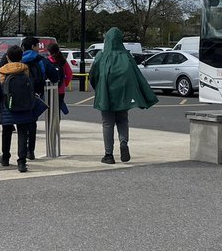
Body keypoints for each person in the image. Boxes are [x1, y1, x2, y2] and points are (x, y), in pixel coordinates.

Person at [87, 27, 158, 164]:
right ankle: (123, 142)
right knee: (123, 120)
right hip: (123, 95)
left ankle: (109, 155)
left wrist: (99, 89)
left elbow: (93, 76)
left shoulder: (101, 56)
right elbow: (137, 76)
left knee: (107, 124)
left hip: (106, 94)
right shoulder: (127, 56)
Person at [0, 44, 38, 173]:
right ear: (21, 57)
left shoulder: (1, 72)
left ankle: (5, 157)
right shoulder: (26, 70)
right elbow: (32, 87)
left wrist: (0, 101)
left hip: (7, 106)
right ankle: (22, 161)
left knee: (6, 132)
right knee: (22, 132)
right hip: (24, 106)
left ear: (7, 57)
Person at [20, 36, 58, 160]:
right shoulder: (41, 60)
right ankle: (30, 150)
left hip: (20, 95)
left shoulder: (18, 59)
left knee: (22, 124)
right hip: (36, 95)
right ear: (33, 47)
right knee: (32, 122)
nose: (39, 48)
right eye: (37, 46)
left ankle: (22, 151)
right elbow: (54, 76)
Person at [46, 42, 73, 115]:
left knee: (49, 110)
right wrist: (65, 84)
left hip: (49, 89)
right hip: (60, 89)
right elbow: (69, 74)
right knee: (57, 111)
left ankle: (50, 126)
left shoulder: (47, 61)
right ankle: (56, 125)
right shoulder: (63, 61)